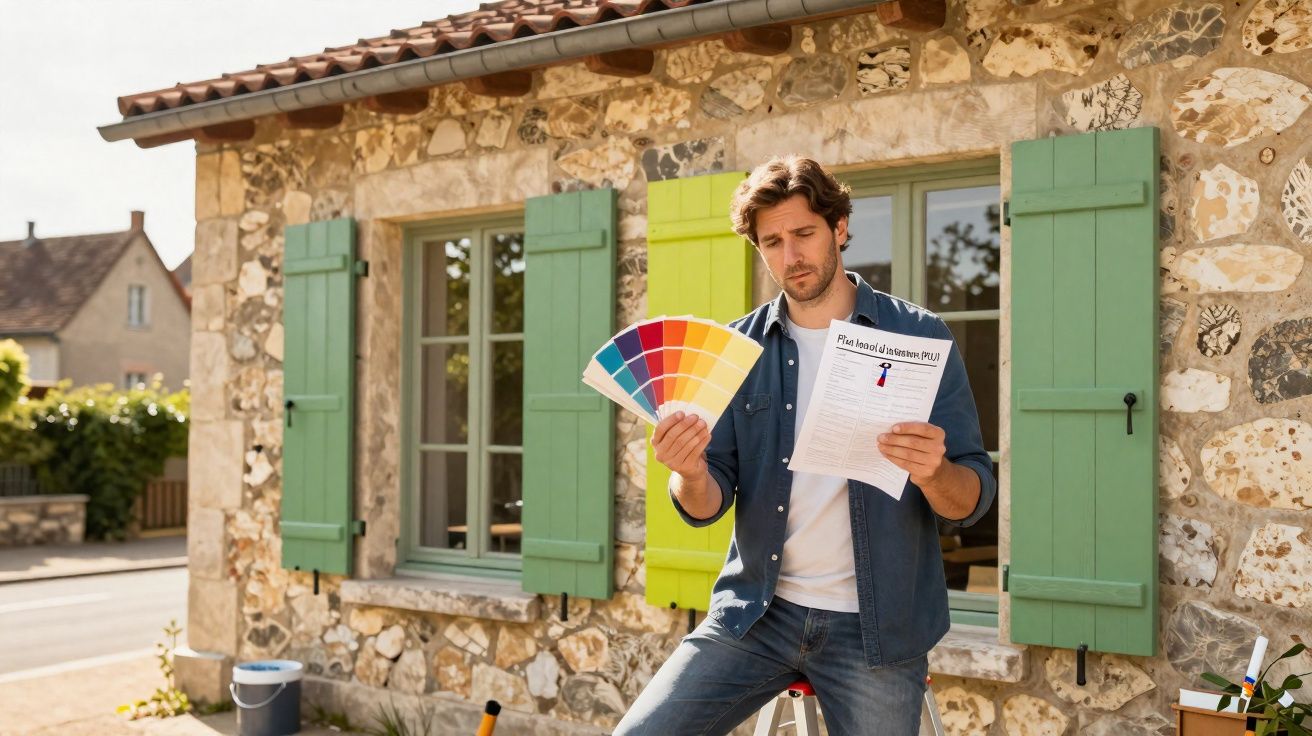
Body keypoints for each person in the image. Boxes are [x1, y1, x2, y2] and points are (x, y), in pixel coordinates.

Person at [613, 156, 997, 735]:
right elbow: (705, 505)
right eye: (772, 242)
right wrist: (689, 472)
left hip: (878, 629)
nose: (790, 256)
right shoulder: (735, 351)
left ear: (839, 228)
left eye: (804, 233)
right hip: (756, 615)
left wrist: (934, 471)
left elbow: (970, 499)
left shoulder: (919, 335)